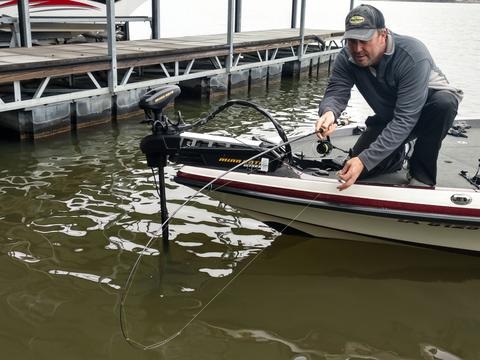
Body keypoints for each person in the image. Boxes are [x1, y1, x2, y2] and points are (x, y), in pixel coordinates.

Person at [315, 4, 463, 190]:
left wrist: (365, 159)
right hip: (389, 118)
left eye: (364, 40)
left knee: (445, 103)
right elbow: (337, 90)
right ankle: (400, 152)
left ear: (382, 35)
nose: (357, 48)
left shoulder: (412, 55)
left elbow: (405, 119)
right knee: (355, 171)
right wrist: (329, 113)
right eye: (352, 41)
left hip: (425, 114)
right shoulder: (346, 57)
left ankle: (421, 175)